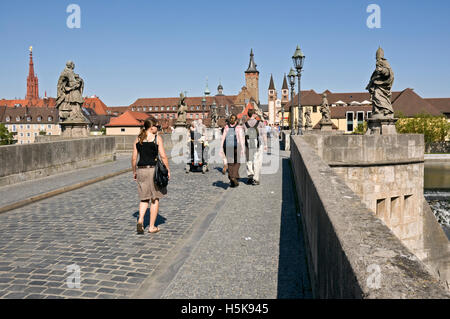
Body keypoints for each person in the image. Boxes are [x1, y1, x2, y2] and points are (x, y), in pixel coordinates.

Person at [132, 119, 170, 234]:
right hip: (154, 171)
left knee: (144, 198)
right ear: (151, 127)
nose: (157, 128)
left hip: (141, 170)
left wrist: (134, 171)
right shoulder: (156, 138)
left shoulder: (138, 139)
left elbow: (134, 158)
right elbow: (163, 156)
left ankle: (140, 220)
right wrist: (167, 170)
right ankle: (152, 227)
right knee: (154, 198)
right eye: (156, 126)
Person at [220, 114, 245, 187]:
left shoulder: (226, 127)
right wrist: (243, 148)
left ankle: (232, 177)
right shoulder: (238, 127)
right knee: (237, 162)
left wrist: (221, 148)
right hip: (236, 146)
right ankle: (233, 176)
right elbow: (240, 139)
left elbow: (223, 138)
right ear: (236, 120)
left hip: (227, 147)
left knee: (230, 163)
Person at [244, 109, 267, 185]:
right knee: (257, 161)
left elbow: (242, 135)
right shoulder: (260, 123)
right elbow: (264, 135)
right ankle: (255, 179)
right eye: (256, 113)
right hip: (258, 144)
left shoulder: (245, 124)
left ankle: (250, 176)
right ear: (253, 114)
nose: (257, 114)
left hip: (248, 144)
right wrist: (266, 144)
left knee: (249, 160)